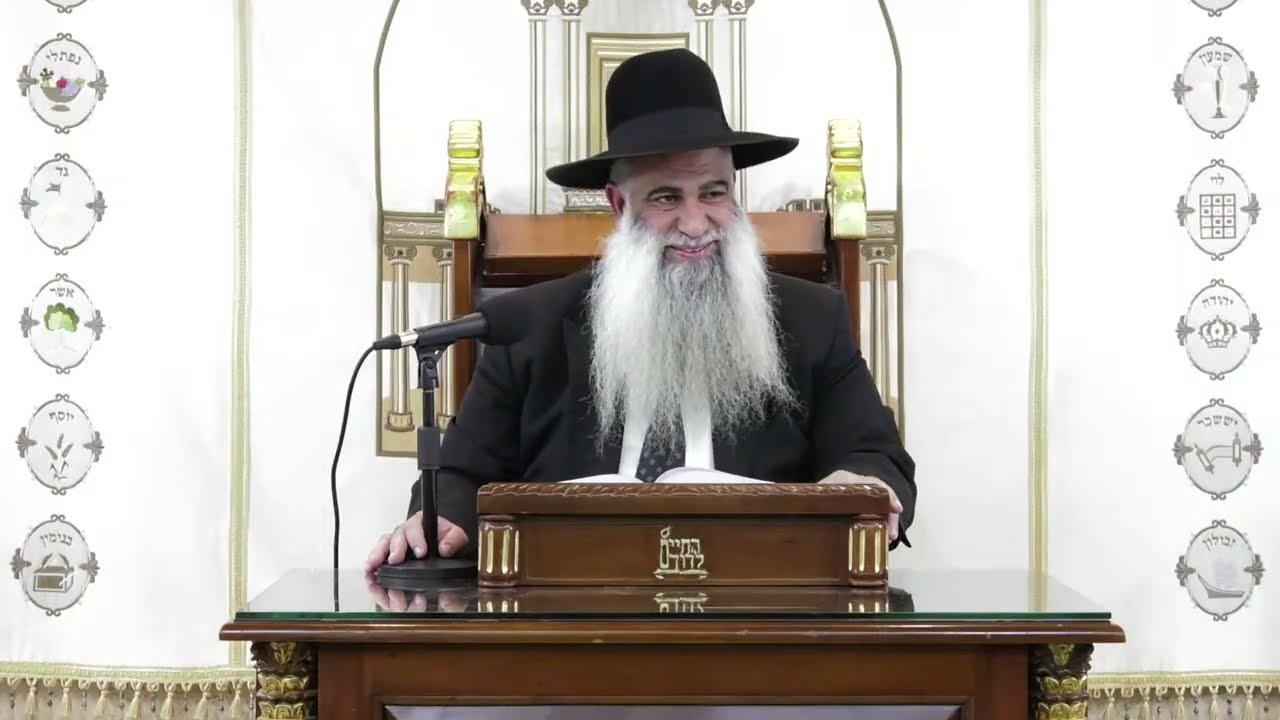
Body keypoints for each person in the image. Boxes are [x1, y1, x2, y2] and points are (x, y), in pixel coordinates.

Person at [366, 48, 915, 574]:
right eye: (666, 198)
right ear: (619, 204)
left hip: (758, 605)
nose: (696, 224)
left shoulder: (811, 319)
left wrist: (861, 484)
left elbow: (875, 456)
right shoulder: (529, 326)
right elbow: (460, 477)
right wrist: (444, 522)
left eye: (714, 193)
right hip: (569, 610)